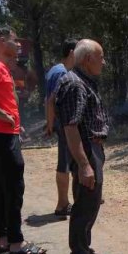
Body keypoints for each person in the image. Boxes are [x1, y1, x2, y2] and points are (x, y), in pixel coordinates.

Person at [0, 26, 46, 254]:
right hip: (2, 136)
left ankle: (3, 240)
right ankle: (16, 243)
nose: (19, 44)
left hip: (2, 133)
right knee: (14, 189)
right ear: (2, 41)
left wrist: (7, 119)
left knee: (3, 189)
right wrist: (3, 116)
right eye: (15, 40)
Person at [55, 39, 110, 254]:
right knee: (85, 205)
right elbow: (70, 127)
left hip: (92, 147)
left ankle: (84, 250)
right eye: (101, 57)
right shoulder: (75, 84)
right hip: (85, 148)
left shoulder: (82, 81)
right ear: (88, 59)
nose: (104, 62)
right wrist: (84, 165)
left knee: (91, 202)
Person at [44, 38, 78, 217]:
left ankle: (66, 202)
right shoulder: (61, 73)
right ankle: (62, 205)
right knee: (64, 164)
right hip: (63, 124)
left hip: (58, 123)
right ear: (72, 52)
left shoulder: (55, 70)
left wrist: (49, 124)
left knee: (67, 162)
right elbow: (51, 101)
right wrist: (51, 124)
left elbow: (47, 100)